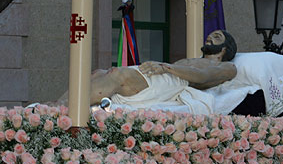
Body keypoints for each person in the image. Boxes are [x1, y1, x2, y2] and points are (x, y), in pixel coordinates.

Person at [59, 30, 237, 108]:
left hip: (175, 80)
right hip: (165, 73)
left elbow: (203, 77)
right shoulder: (194, 60)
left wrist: (166, 68)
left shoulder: (227, 67)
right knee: (100, 73)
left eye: (216, 36)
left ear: (224, 49)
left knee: (120, 76)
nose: (209, 37)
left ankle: (63, 108)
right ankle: (57, 105)